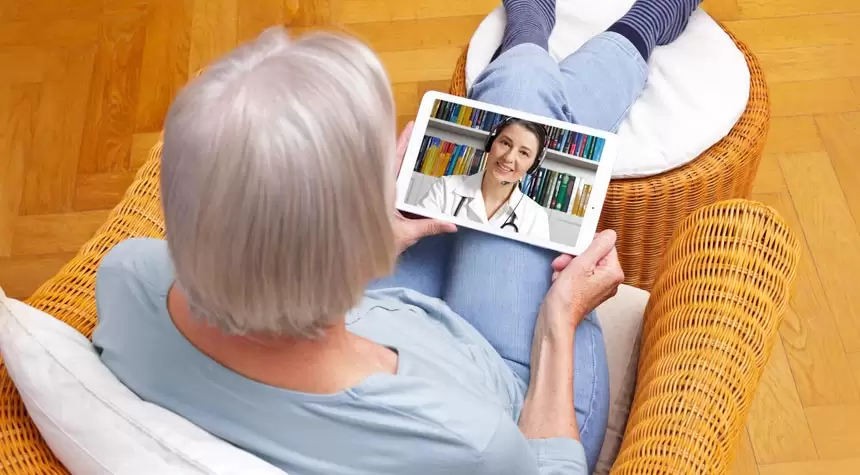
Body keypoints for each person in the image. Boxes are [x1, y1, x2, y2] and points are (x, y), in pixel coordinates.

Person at [92, 0, 703, 472]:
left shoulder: (128, 278)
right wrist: (560, 322)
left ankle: (533, 43)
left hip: (372, 313)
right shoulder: (473, 441)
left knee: (506, 126)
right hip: (515, 381)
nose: (394, 158)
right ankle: (621, 34)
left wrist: (366, 242)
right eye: (380, 160)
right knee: (523, 100)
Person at [418, 118, 553, 240]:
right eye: (505, 143)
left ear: (533, 165)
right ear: (490, 143)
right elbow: (417, 241)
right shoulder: (445, 188)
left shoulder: (536, 218)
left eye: (524, 153)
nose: (508, 158)